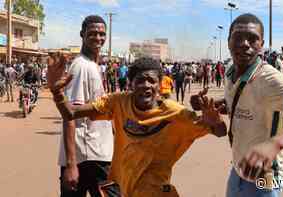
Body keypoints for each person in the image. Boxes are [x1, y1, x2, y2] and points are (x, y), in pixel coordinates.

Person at [47, 56, 227, 197]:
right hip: (124, 190)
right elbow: (70, 113)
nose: (146, 86)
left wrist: (215, 122)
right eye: (140, 80)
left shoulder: (175, 113)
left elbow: (220, 132)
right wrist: (57, 92)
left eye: (151, 81)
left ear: (159, 84)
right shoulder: (118, 102)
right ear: (131, 82)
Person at [191, 13, 283, 197]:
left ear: (261, 45)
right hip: (238, 170)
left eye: (253, 39)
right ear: (229, 41)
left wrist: (274, 144)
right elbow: (238, 102)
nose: (245, 43)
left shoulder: (270, 79)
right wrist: (207, 105)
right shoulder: (231, 72)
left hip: (263, 180)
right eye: (238, 37)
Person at [54, 15, 119, 197]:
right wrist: (71, 165)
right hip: (89, 157)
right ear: (82, 34)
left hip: (97, 152)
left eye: (101, 34)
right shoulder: (82, 67)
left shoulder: (92, 65)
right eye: (92, 33)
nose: (98, 38)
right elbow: (70, 115)